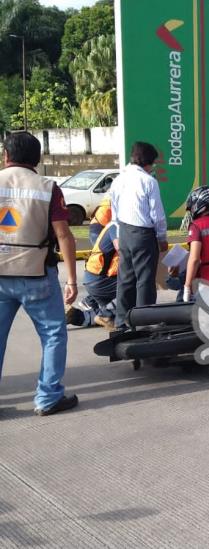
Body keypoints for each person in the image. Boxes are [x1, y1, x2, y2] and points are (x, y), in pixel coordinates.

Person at [0, 131, 79, 416]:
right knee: (53, 334)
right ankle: (47, 398)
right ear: (38, 158)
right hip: (36, 274)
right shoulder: (47, 187)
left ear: (6, 155)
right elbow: (64, 235)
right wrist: (72, 279)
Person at [110, 142, 168, 329]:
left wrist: (118, 235)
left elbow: (114, 210)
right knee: (145, 279)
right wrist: (162, 237)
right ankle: (144, 321)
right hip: (143, 234)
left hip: (125, 231)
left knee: (125, 278)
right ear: (149, 163)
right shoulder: (149, 181)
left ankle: (121, 321)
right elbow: (157, 215)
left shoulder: (119, 179)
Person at [66, 221, 118, 330]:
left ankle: (77, 316)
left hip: (94, 279)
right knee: (138, 286)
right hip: (101, 281)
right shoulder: (116, 226)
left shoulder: (111, 225)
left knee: (117, 313)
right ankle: (104, 312)